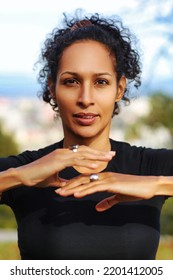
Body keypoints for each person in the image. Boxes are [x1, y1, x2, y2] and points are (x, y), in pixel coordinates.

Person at [0, 10, 173, 260]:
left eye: (101, 82)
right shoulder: (26, 170)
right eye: (71, 82)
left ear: (118, 89)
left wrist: (156, 184)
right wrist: (18, 176)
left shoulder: (150, 166)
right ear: (53, 88)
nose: (86, 99)